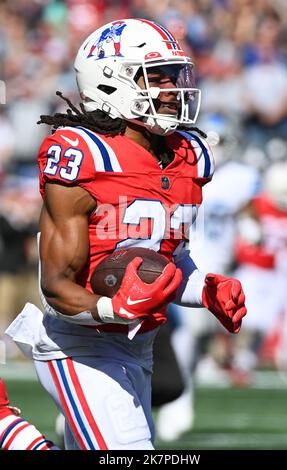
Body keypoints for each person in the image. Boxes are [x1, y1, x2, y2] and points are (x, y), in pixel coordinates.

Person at [3, 18, 246, 450]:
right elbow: (56, 288)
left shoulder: (189, 156)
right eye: (157, 77)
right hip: (78, 344)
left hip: (139, 344)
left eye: (175, 76)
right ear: (111, 82)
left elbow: (166, 261)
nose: (172, 89)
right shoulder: (83, 154)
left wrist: (203, 290)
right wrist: (113, 308)